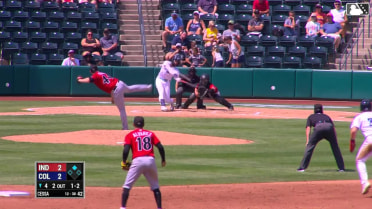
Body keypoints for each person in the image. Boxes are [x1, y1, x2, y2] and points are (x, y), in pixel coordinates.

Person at [76, 66, 152, 130]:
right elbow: (110, 86)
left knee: (122, 109)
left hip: (116, 89)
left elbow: (90, 79)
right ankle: (147, 87)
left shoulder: (95, 75)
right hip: (119, 83)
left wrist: (80, 80)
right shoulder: (102, 73)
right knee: (130, 89)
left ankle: (125, 128)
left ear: (90, 71)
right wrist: (112, 98)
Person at [120, 116, 166, 209]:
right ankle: (159, 208)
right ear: (143, 124)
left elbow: (126, 150)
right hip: (150, 160)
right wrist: (163, 159)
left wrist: (124, 161)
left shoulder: (130, 135)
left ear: (133, 124)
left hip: (138, 161)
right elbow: (160, 147)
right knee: (155, 186)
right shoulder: (150, 134)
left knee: (127, 186)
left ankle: (123, 208)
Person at [297, 104, 345, 172]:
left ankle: (302, 168)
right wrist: (335, 140)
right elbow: (333, 128)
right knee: (335, 148)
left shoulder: (311, 116)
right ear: (322, 110)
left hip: (319, 128)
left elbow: (308, 128)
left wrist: (308, 140)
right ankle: (341, 168)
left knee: (310, 147)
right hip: (329, 127)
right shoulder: (326, 116)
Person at [350, 99, 372, 195]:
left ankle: (365, 183)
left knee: (360, 160)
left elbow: (353, 131)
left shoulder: (359, 117)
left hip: (370, 140)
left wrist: (352, 141)